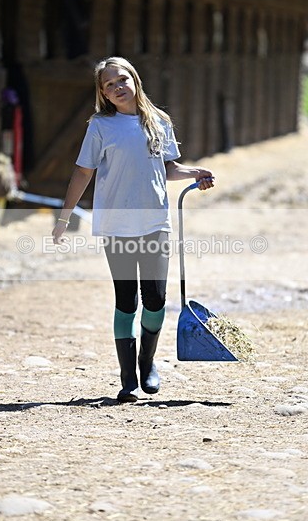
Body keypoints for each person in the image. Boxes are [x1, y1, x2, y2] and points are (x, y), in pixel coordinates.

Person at [51, 56, 214, 402]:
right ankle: (127, 375)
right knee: (126, 301)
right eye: (109, 85)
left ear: (135, 80)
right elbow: (83, 172)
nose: (118, 87)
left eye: (122, 79)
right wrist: (64, 216)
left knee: (155, 299)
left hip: (155, 222)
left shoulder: (158, 121)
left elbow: (166, 168)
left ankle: (147, 362)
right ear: (103, 94)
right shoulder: (100, 126)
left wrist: (194, 174)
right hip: (116, 225)